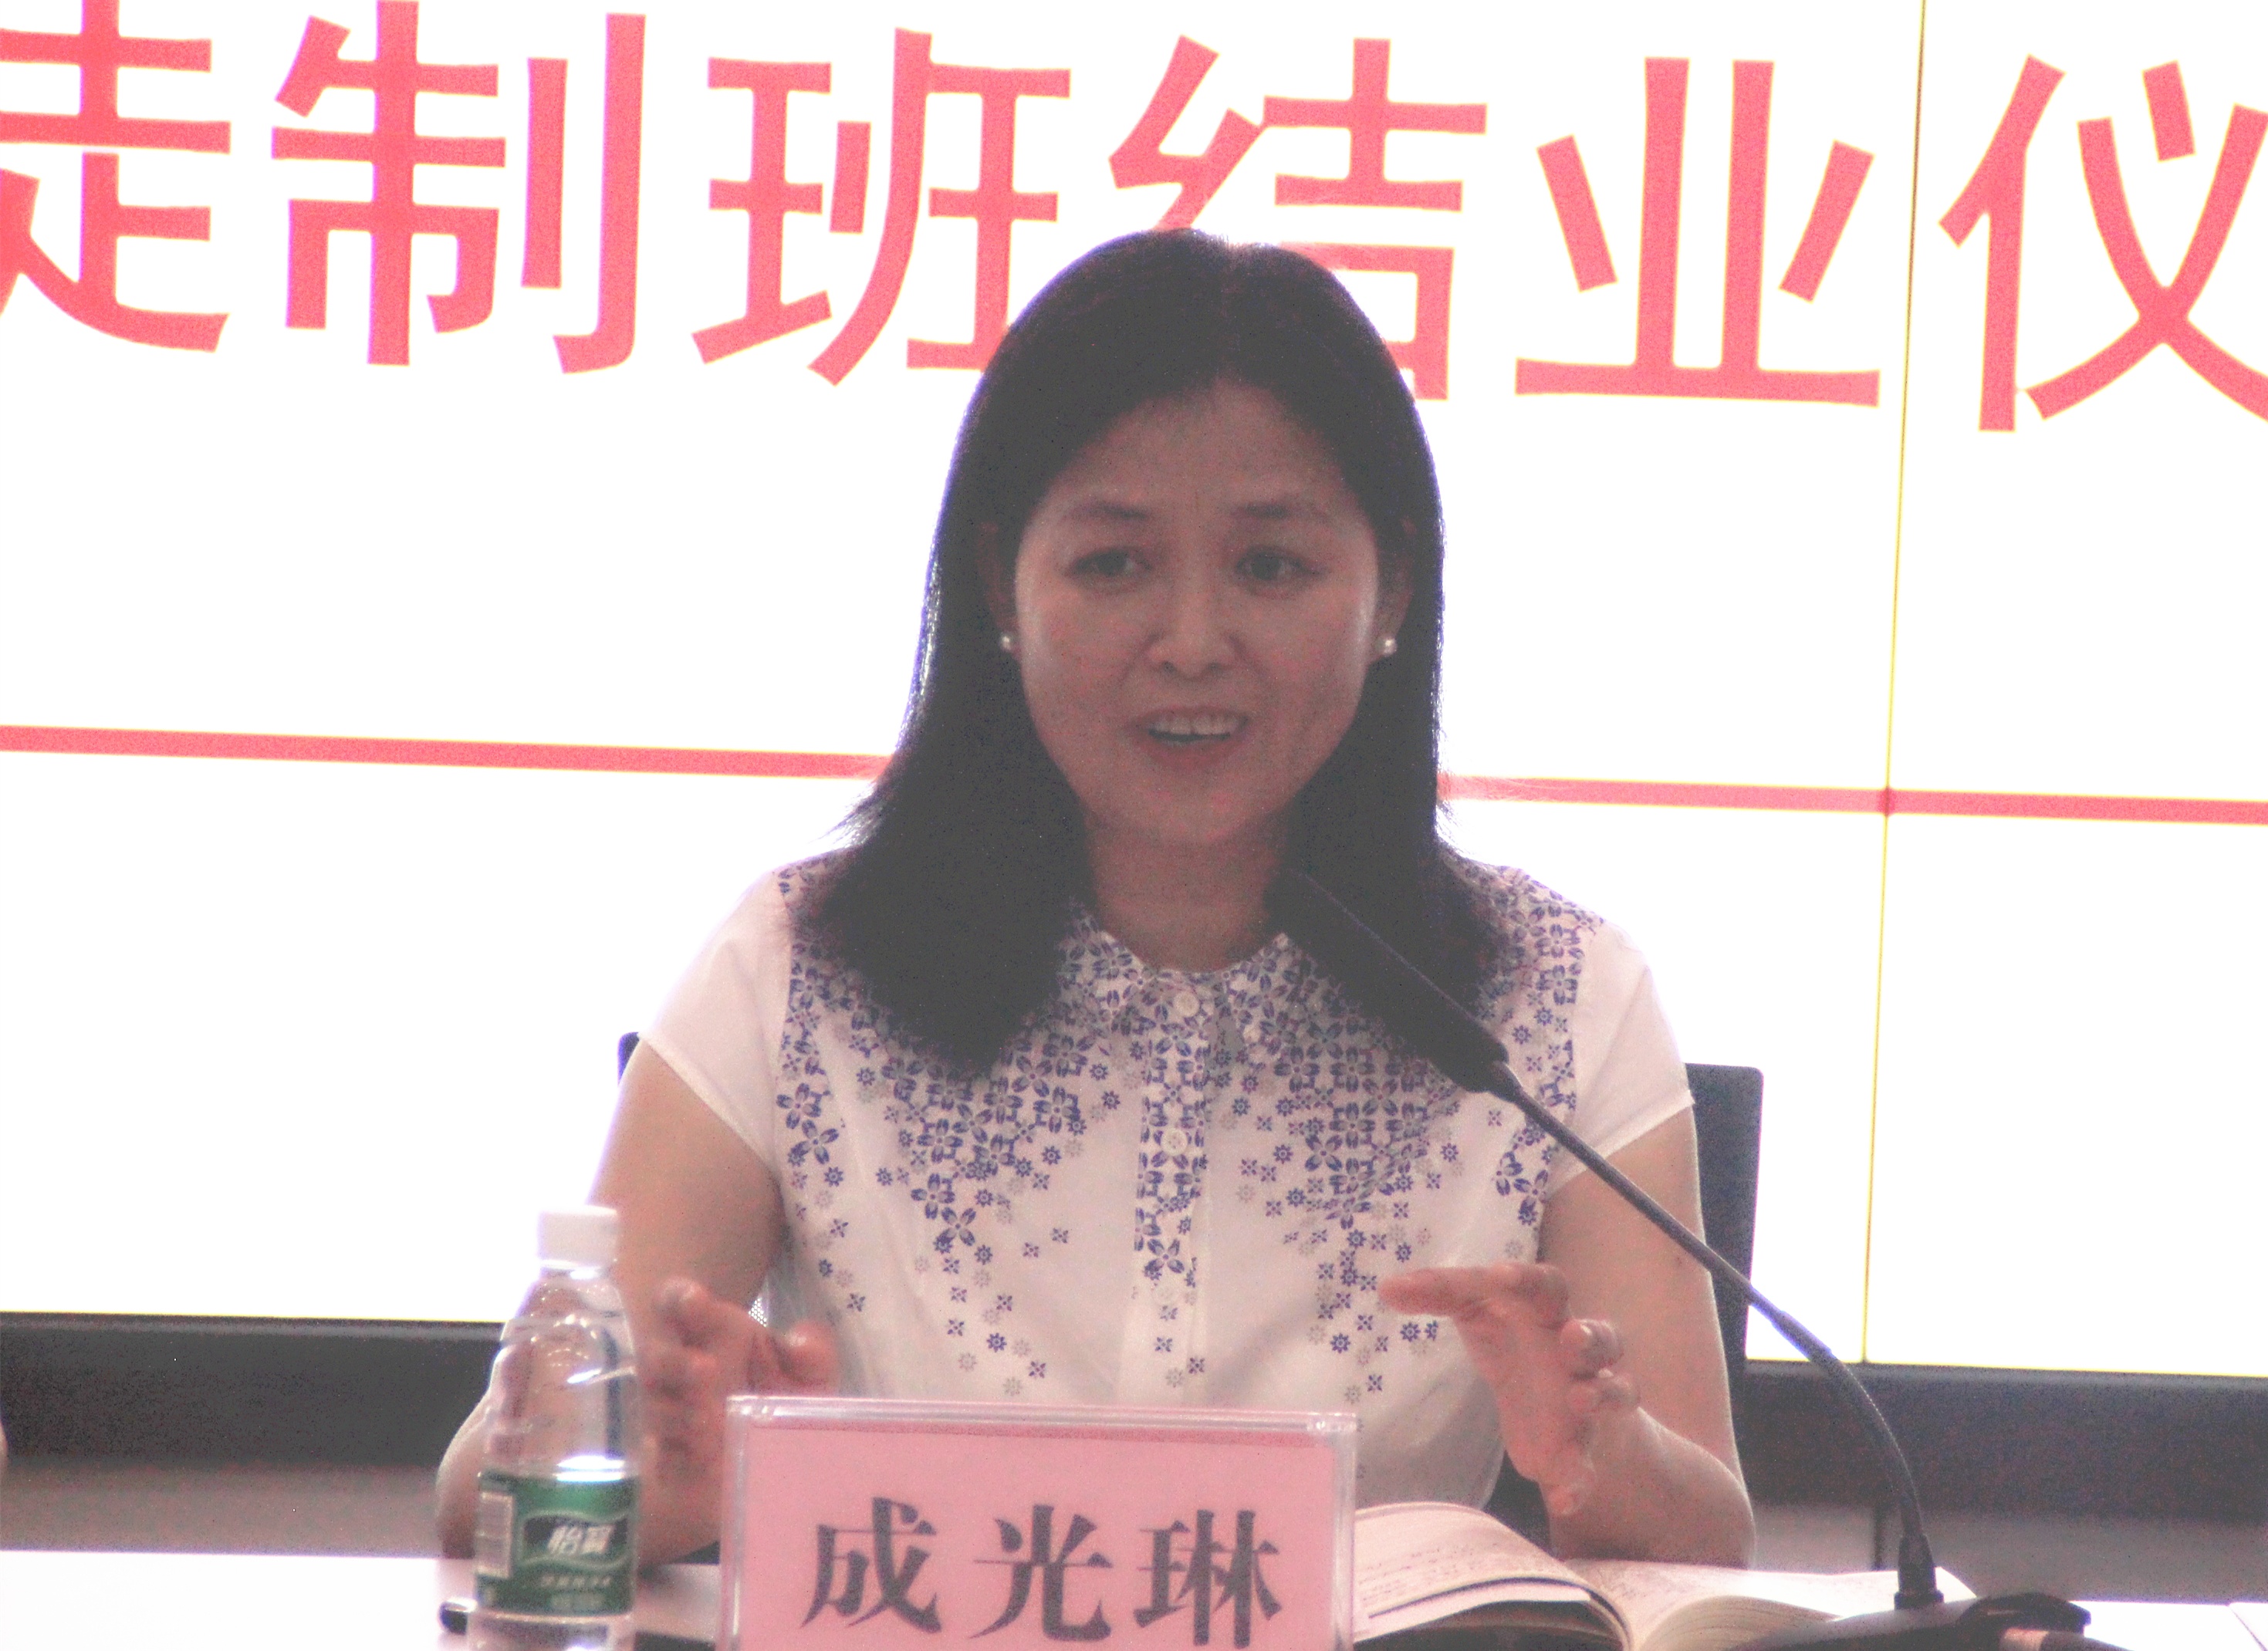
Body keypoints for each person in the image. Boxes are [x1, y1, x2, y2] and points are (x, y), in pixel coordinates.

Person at [438, 230, 1754, 1568]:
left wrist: (1597, 1452)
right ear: (1002, 584)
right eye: (1115, 565)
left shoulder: (1555, 1001)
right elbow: (482, 1485)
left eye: (1271, 567)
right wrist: (691, 1484)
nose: (1191, 642)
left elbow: (1712, 1539)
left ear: (1392, 590)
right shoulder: (797, 970)